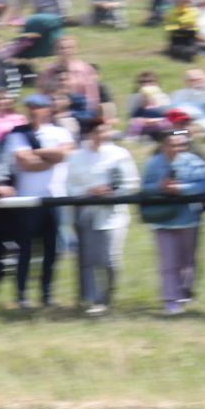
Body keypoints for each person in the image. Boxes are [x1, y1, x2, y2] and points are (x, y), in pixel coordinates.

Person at [3, 93, 74, 308]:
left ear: (47, 110)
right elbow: (26, 163)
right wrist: (51, 157)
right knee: (24, 250)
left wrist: (38, 152)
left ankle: (46, 294)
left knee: (52, 251)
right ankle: (22, 294)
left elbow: (64, 154)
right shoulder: (17, 134)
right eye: (30, 106)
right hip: (26, 200)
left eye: (38, 106)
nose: (33, 110)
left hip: (54, 199)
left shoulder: (61, 132)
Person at [66, 117, 140, 314]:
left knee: (110, 259)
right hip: (87, 214)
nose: (102, 135)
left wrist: (111, 191)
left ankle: (108, 297)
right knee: (89, 259)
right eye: (98, 131)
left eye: (105, 131)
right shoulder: (75, 157)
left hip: (113, 214)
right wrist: (89, 190)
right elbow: (70, 187)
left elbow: (131, 183)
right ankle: (92, 300)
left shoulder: (120, 154)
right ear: (89, 134)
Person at [141, 127, 205, 315]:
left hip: (189, 219)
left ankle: (184, 292)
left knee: (187, 261)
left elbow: (203, 185)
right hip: (162, 219)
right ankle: (171, 301)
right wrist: (159, 187)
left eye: (182, 145)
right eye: (173, 145)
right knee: (167, 261)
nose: (177, 149)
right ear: (164, 146)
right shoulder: (153, 164)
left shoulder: (196, 163)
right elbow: (144, 188)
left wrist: (181, 189)